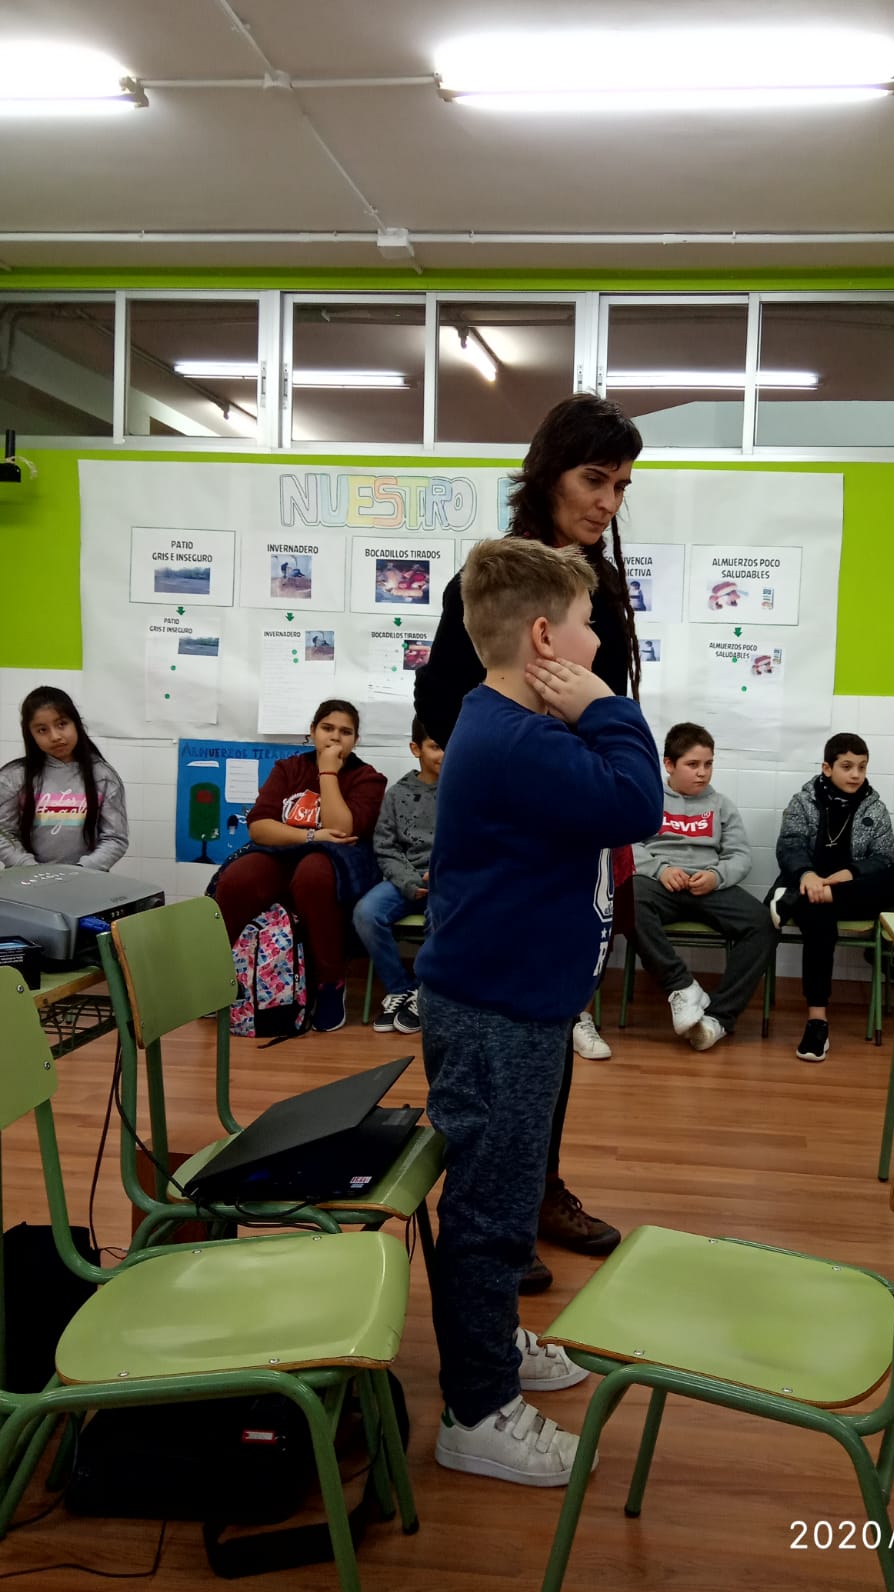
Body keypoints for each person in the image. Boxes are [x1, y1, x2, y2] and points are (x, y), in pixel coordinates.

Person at [415, 537, 662, 1487]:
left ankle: (492, 1343)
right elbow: (636, 801)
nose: (600, 644)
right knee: (488, 1212)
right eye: (590, 626)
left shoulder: (510, 727)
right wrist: (605, 703)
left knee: (509, 1198)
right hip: (495, 1015)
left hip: (516, 1004)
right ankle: (476, 1411)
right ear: (548, 639)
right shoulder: (516, 740)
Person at [415, 391, 645, 1289]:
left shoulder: (599, 586)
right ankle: (501, 1210)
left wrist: (594, 749)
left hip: (579, 818)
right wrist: (516, 756)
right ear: (549, 473)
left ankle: (531, 1190)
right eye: (595, 480)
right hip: (521, 830)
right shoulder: (498, 582)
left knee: (551, 1015)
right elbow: (441, 706)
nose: (608, 503)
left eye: (621, 487)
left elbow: (608, 698)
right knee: (505, 1031)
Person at [211, 700, 385, 1034]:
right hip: (284, 850)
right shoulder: (288, 768)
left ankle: (330, 982)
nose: (335, 737)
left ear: (356, 739)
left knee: (312, 875)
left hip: (338, 859)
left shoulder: (368, 778)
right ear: (312, 731)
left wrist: (327, 772)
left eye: (345, 732)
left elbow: (342, 830)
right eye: (327, 728)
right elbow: (260, 826)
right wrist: (312, 835)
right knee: (237, 879)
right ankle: (223, 976)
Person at [769, 733, 894, 1062]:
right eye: (847, 766)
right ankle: (817, 1022)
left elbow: (884, 857)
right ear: (827, 768)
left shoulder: (874, 806)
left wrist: (851, 873)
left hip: (855, 890)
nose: (856, 774)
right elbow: (789, 845)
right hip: (811, 889)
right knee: (819, 919)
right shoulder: (803, 802)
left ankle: (793, 899)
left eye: (862, 766)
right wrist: (808, 875)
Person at [631, 722, 773, 1051]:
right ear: (669, 764)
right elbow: (627, 845)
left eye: (708, 764)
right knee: (629, 898)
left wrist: (716, 876)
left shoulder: (721, 805)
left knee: (762, 922)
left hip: (709, 886)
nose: (702, 773)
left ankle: (718, 1018)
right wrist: (660, 870)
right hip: (662, 885)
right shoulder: (648, 798)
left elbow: (740, 856)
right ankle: (682, 987)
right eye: (693, 764)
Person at [352, 717, 443, 1035]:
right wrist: (408, 881)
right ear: (416, 749)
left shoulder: (464, 791)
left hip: (446, 881)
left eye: (449, 745)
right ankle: (401, 988)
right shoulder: (397, 794)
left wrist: (440, 875)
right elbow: (385, 847)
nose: (444, 754)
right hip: (405, 879)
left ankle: (427, 992)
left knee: (442, 915)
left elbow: (472, 844)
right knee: (366, 913)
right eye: (435, 746)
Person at [0, 686, 128, 870]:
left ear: (76, 723)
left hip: (85, 879)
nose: (55, 736)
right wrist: (30, 869)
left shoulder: (103, 776)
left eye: (62, 724)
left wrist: (80, 872)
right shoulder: (13, 777)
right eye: (42, 730)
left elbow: (115, 838)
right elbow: (3, 833)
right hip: (26, 879)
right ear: (31, 735)